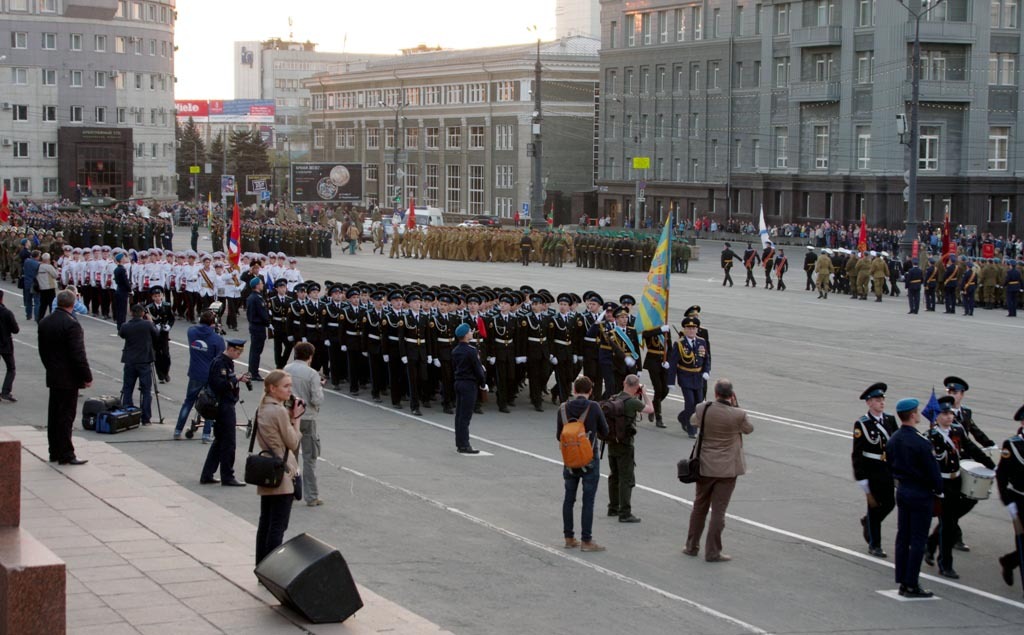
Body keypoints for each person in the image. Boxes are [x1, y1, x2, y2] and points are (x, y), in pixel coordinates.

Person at [924, 395, 995, 578]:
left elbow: (973, 449)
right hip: (942, 484)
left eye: (950, 413)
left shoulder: (957, 430)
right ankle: (945, 564)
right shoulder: (930, 437)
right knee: (948, 524)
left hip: (957, 481)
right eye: (944, 413)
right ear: (936, 416)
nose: (949, 417)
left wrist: (991, 465)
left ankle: (930, 545)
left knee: (956, 516)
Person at [683, 379, 753, 562]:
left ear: (715, 393)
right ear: (731, 395)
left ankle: (691, 546)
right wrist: (736, 406)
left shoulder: (703, 409)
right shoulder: (738, 414)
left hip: (705, 465)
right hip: (727, 470)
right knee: (718, 511)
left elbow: (693, 421)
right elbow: (749, 429)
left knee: (699, 507)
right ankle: (713, 551)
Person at [886, 398, 942, 598]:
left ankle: (902, 579)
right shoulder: (921, 443)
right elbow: (933, 472)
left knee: (903, 536)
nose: (919, 415)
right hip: (920, 494)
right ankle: (911, 583)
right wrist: (939, 490)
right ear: (912, 415)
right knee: (918, 540)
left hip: (903, 491)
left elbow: (890, 464)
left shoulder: (894, 439)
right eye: (917, 412)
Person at [38, 290, 93, 465]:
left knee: (54, 415)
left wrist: (50, 367)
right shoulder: (72, 324)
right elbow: (78, 354)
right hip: (69, 377)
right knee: (66, 416)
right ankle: (66, 453)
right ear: (73, 303)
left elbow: (42, 351)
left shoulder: (45, 322)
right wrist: (86, 376)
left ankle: (54, 450)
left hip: (53, 374)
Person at [254, 369, 303, 564]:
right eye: (286, 386)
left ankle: (261, 565)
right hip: (283, 471)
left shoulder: (262, 408)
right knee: (277, 526)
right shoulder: (279, 411)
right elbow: (293, 442)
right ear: (272, 388)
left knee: (265, 522)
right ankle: (271, 569)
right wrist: (296, 420)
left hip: (268, 465)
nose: (289, 391)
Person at [557, 376, 608, 552]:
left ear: (574, 390)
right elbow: (605, 430)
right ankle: (586, 540)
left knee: (568, 499)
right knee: (588, 500)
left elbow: (559, 435)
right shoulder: (593, 407)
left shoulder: (563, 408)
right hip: (589, 459)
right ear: (590, 391)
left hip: (570, 459)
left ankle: (569, 537)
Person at [852, 382, 898, 559]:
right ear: (869, 402)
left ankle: (868, 523)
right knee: (875, 507)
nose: (881, 402)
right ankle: (875, 544)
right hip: (872, 471)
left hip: (887, 470)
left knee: (890, 504)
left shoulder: (889, 420)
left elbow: (897, 441)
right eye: (877, 400)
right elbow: (857, 454)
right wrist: (862, 479)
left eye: (882, 399)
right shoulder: (862, 424)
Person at [200, 338, 250, 486]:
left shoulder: (226, 362)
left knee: (219, 441)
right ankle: (227, 476)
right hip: (223, 405)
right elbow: (219, 384)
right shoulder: (221, 363)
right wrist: (236, 379)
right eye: (238, 352)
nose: (239, 355)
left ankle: (207, 474)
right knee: (228, 442)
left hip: (226, 404)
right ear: (231, 349)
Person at [606, 374, 653, 524]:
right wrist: (644, 394)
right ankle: (625, 512)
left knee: (614, 475)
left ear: (624, 383)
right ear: (636, 386)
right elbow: (650, 409)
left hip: (611, 442)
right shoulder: (632, 402)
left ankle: (613, 507)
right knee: (626, 478)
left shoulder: (613, 398)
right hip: (625, 444)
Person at [283, 342, 325, 507]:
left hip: (289, 415)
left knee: (290, 455)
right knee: (310, 457)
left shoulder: (287, 368)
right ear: (310, 356)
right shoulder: (312, 374)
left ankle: (290, 490)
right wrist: (320, 389)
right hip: (307, 417)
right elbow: (316, 399)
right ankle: (311, 495)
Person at [173, 310, 225, 441]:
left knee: (188, 402)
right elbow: (220, 357)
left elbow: (197, 329)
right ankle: (206, 434)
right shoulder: (217, 339)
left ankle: (178, 430)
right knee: (210, 404)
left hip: (195, 372)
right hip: (209, 375)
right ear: (212, 324)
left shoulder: (191, 332)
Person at [665, 315, 711, 438]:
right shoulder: (679, 344)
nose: (691, 331)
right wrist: (671, 381)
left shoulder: (702, 341)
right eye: (688, 328)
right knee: (690, 403)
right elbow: (673, 363)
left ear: (697, 329)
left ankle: (682, 417)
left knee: (699, 403)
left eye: (693, 328)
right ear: (684, 330)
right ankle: (692, 430)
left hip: (698, 377)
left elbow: (706, 359)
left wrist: (707, 371)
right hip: (685, 377)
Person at [996, 404, 1024, 591]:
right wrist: (1007, 500)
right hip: (1019, 500)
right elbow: (1002, 475)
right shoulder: (1012, 445)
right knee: (1023, 542)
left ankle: (1008, 561)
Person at [118, 304, 159, 425]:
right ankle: (146, 418)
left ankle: (127, 413)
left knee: (127, 388)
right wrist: (151, 321)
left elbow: (121, 334)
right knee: (146, 390)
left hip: (130, 360)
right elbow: (156, 334)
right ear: (142, 313)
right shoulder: (147, 324)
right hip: (144, 361)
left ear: (131, 313)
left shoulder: (126, 326)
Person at [452, 322, 487, 454]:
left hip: (459, 382)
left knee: (459, 416)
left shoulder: (455, 350)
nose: (472, 333)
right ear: (466, 335)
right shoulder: (471, 351)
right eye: (470, 332)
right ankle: (465, 444)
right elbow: (478, 370)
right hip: (469, 384)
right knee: (465, 416)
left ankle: (460, 443)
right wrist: (483, 383)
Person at [146, 287, 175, 383]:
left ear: (162, 296)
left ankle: (166, 372)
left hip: (164, 333)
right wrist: (153, 326)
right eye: (155, 296)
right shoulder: (149, 308)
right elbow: (147, 320)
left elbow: (171, 318)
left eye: (159, 296)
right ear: (152, 297)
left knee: (166, 354)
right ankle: (161, 375)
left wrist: (168, 326)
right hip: (155, 334)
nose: (158, 298)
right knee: (157, 355)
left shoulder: (167, 305)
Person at [246, 277, 270, 381]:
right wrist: (268, 322)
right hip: (258, 327)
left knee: (254, 351)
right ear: (256, 285)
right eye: (261, 283)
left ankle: (252, 371)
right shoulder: (257, 298)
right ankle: (254, 372)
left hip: (255, 326)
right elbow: (262, 314)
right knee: (256, 351)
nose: (262, 285)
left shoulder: (253, 297)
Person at [0, 290, 20, 402]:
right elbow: (15, 329)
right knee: (11, 368)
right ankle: (5, 392)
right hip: (5, 343)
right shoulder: (7, 312)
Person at [34, 253, 59, 322]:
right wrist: (56, 267)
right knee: (52, 304)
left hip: (42, 287)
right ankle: (52, 319)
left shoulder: (39, 266)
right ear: (48, 259)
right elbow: (55, 275)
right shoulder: (49, 267)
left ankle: (39, 318)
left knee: (43, 305)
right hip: (50, 287)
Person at [112, 252, 131, 328]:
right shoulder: (122, 269)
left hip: (119, 290)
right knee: (122, 310)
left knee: (119, 309)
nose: (125, 259)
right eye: (124, 258)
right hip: (123, 291)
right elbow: (125, 281)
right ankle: (122, 326)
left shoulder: (117, 269)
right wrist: (130, 289)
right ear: (122, 259)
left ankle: (119, 325)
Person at [21, 250, 40, 321]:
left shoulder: (27, 262)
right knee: (37, 301)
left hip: (27, 283)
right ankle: (37, 316)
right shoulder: (37, 264)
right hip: (35, 283)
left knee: (28, 300)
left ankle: (28, 315)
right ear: (37, 256)